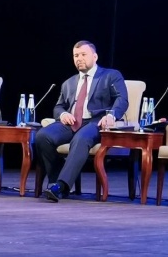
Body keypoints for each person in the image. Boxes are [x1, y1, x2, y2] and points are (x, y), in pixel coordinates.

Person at [36, 40, 128, 202]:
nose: (79, 58)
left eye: (83, 54)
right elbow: (58, 107)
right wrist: (63, 114)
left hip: (96, 122)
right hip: (72, 123)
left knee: (81, 138)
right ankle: (55, 181)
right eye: (76, 55)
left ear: (95, 56)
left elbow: (122, 99)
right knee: (42, 136)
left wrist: (111, 115)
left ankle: (61, 186)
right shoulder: (69, 83)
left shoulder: (110, 76)